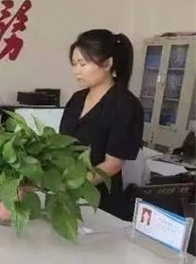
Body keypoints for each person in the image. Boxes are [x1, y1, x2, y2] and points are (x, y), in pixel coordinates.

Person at [60, 29, 144, 221]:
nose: (76, 70)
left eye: (82, 64)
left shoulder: (125, 105)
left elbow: (112, 165)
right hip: (66, 197)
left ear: (107, 63)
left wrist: (70, 186)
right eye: (74, 64)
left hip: (100, 203)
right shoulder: (77, 99)